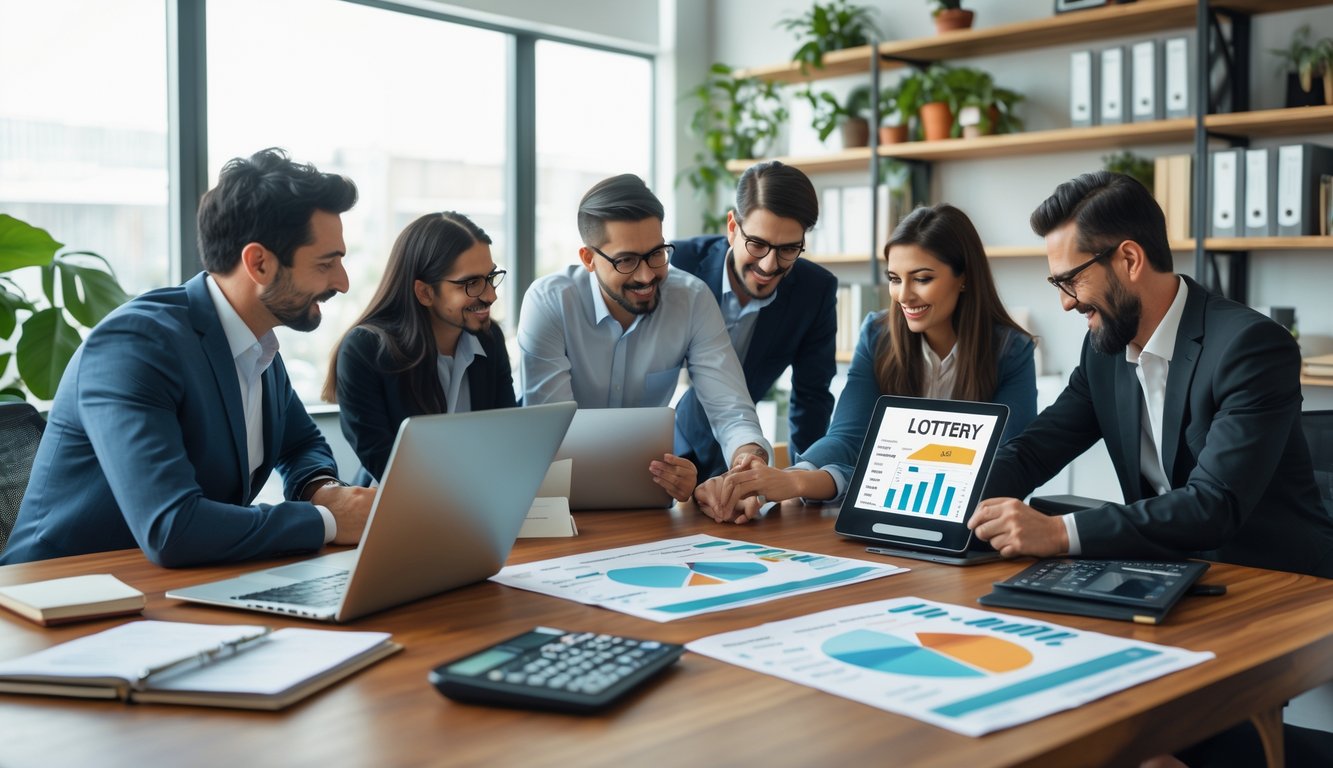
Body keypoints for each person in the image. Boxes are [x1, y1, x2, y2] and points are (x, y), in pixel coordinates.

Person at [0, 148, 375, 567]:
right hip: (61, 599)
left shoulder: (258, 345)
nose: (341, 283)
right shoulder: (134, 346)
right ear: (259, 263)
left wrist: (322, 488)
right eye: (327, 264)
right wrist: (325, 521)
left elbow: (301, 443)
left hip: (179, 590)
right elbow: (173, 528)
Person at [968, 170, 1333, 579]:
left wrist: (1057, 532)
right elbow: (1034, 450)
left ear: (1129, 259)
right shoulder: (1104, 351)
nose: (1065, 304)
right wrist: (954, 501)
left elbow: (1213, 505)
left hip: (1275, 583)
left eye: (1071, 281)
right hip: (1166, 575)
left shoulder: (1251, 347)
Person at [697, 203, 1037, 523]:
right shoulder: (878, 335)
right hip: (884, 522)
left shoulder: (1011, 350)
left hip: (973, 527)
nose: (904, 295)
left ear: (964, 277)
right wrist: (784, 480)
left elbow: (1005, 464)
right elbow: (847, 437)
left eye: (922, 279)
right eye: (894, 279)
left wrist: (816, 480)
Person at [518, 173, 771, 504]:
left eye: (656, 253)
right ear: (588, 259)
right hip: (557, 506)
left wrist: (748, 460)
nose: (647, 275)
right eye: (626, 260)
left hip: (645, 507)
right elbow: (550, 440)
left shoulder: (692, 299)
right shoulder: (551, 303)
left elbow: (730, 410)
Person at [670, 161, 837, 481]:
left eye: (789, 249)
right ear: (732, 227)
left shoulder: (815, 291)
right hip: (666, 451)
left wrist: (803, 482)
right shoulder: (679, 265)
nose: (769, 264)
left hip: (744, 456)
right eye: (757, 244)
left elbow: (812, 397)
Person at [323, 212, 515, 485]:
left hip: (484, 499)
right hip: (401, 508)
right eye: (471, 283)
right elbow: (384, 462)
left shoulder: (488, 337)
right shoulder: (364, 350)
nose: (490, 295)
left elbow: (509, 438)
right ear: (425, 292)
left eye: (490, 277)